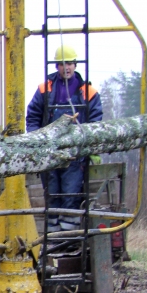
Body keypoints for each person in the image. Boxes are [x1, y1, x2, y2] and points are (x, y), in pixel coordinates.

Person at [25, 44, 103, 231]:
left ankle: (68, 237)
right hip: (50, 154)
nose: (66, 67)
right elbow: (33, 116)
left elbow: (95, 122)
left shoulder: (88, 92)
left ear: (75, 65)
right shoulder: (45, 89)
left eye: (69, 63)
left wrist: (92, 148)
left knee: (71, 194)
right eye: (61, 64)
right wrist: (37, 141)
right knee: (52, 195)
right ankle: (53, 237)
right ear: (56, 66)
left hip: (75, 155)